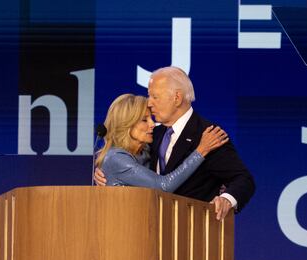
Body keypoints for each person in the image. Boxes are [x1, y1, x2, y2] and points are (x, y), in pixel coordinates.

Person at [95, 67, 255, 220]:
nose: (149, 103)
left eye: (155, 97)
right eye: (149, 96)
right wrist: (106, 175)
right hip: (148, 231)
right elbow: (129, 163)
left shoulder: (208, 136)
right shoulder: (153, 134)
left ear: (177, 98)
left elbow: (243, 179)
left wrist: (227, 199)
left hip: (190, 231)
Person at [95, 94, 228, 192]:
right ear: (126, 124)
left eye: (151, 118)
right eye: (144, 120)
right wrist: (201, 151)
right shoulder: (116, 158)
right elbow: (163, 186)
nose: (153, 124)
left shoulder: (147, 150)